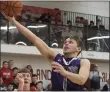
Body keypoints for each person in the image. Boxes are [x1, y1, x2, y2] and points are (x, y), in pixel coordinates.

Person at [2, 12, 90, 91]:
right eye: (65, 42)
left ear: (78, 49)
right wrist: (14, 21)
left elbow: (81, 80)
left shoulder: (84, 62)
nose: (66, 44)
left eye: (70, 42)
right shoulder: (56, 57)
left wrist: (64, 73)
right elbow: (34, 39)